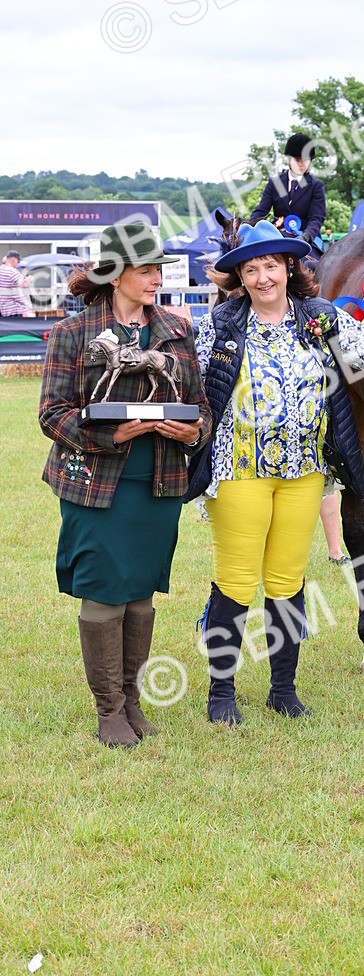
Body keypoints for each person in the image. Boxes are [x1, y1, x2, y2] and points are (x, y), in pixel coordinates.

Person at [186, 219, 364, 725]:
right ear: (241, 277)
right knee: (236, 579)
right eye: (251, 269)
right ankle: (221, 692)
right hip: (239, 470)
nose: (263, 277)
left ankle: (282, 689)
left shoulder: (318, 317)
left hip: (303, 472)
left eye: (271, 265)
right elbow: (189, 375)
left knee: (287, 579)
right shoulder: (221, 327)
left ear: (288, 267)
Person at [39, 222, 212, 749]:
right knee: (104, 591)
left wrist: (192, 429)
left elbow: (201, 406)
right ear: (116, 275)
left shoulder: (178, 331)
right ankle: (108, 709)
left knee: (140, 593)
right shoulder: (74, 333)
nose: (156, 279)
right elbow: (51, 414)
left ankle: (133, 701)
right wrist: (112, 435)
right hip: (95, 484)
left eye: (159, 269)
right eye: (146, 270)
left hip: (158, 484)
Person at [249, 132, 327, 256]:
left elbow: (316, 218)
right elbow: (261, 211)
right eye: (298, 160)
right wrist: (247, 227)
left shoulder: (316, 186)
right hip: (277, 235)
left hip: (306, 238)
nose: (302, 164)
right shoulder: (275, 183)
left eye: (306, 160)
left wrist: (306, 236)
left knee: (315, 267)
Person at [0, 250, 33, 317]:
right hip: (16, 309)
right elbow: (24, 285)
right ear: (13, 260)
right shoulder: (13, 271)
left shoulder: (1, 269)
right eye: (18, 261)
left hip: (5, 308)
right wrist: (28, 279)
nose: (18, 263)